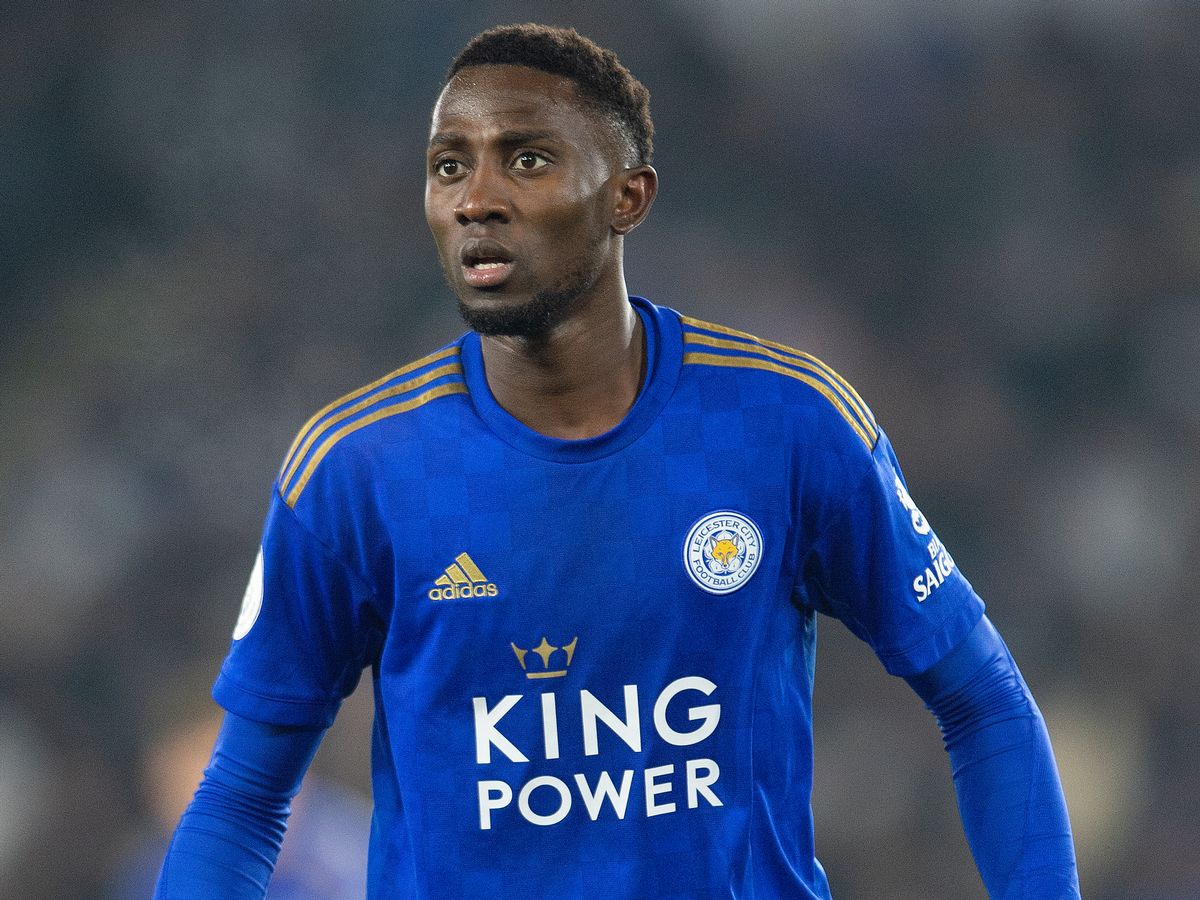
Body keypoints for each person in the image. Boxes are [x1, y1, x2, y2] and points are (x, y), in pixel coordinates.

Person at [156, 23, 1080, 899]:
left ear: (627, 197)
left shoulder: (786, 424)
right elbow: (241, 799)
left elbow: (984, 702)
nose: (477, 198)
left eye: (527, 159)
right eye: (449, 166)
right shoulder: (356, 473)